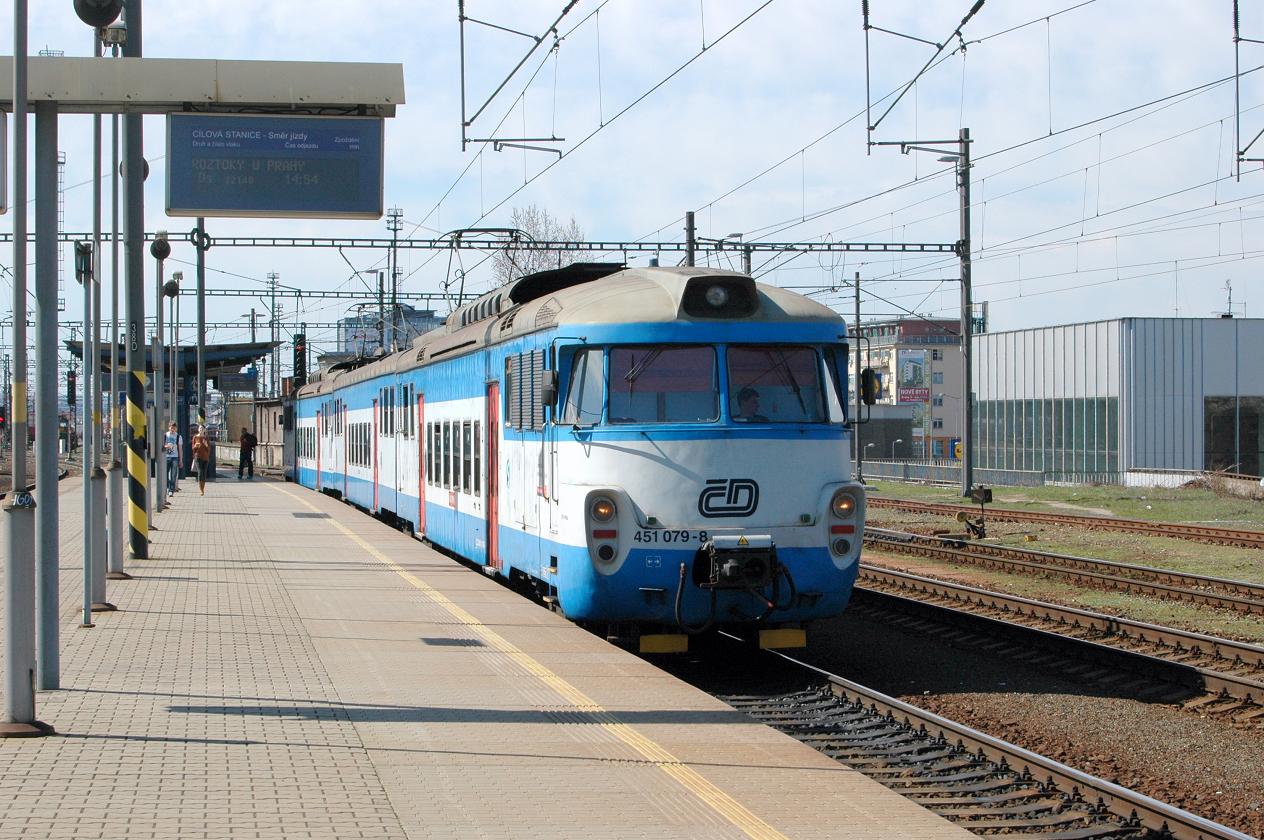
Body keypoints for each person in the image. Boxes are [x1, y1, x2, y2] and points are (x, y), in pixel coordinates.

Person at [163, 421, 183, 496]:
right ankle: (169, 486)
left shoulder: (178, 437)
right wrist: (167, 446)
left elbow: (180, 449)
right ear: (169, 428)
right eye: (171, 428)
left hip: (175, 457)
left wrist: (181, 460)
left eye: (174, 428)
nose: (173, 430)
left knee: (173, 475)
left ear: (176, 429)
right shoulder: (165, 435)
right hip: (166, 457)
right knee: (165, 474)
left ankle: (171, 490)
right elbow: (162, 446)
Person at [191, 426, 211, 496]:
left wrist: (206, 445)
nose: (201, 430)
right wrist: (195, 446)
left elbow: (209, 449)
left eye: (202, 429)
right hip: (198, 457)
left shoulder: (206, 438)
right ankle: (201, 490)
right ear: (198, 429)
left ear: (204, 430)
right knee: (200, 472)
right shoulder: (195, 437)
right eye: (200, 428)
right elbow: (192, 448)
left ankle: (203, 488)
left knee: (204, 473)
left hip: (205, 458)